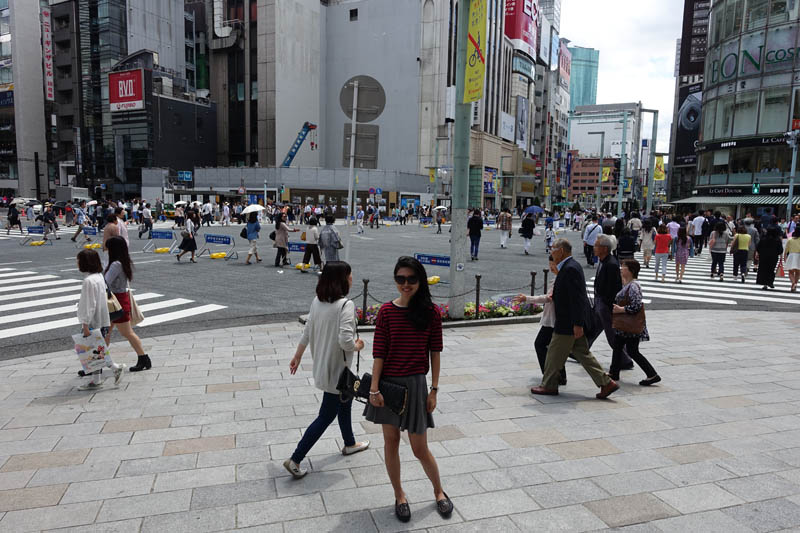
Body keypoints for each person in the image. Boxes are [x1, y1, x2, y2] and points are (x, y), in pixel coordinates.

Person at [365, 256, 453, 523]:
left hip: (416, 384)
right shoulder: (387, 312)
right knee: (390, 443)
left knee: (419, 448)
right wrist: (373, 389)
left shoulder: (430, 313)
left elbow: (435, 353)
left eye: (411, 279)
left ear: (420, 281)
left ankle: (439, 491)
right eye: (400, 279)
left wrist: (434, 390)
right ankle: (399, 495)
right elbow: (379, 353)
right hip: (388, 384)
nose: (405, 284)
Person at [284, 262, 370, 478]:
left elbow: (307, 331)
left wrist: (297, 355)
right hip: (336, 372)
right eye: (350, 275)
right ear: (342, 279)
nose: (352, 279)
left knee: (345, 403)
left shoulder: (317, 301)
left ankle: (350, 443)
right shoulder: (345, 305)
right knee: (326, 415)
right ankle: (295, 459)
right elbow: (345, 340)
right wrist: (358, 345)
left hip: (324, 367)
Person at [531, 239, 619, 399]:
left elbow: (577, 299)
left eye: (553, 249)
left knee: (552, 353)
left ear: (561, 251)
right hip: (570, 322)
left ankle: (549, 385)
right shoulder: (569, 266)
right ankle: (606, 383)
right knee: (583, 353)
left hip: (568, 323)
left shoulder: (570, 268)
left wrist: (578, 324)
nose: (551, 252)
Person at [76, 249, 126, 390]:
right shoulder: (99, 276)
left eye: (79, 261)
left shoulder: (88, 281)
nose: (77, 263)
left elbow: (89, 304)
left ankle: (115, 368)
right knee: (96, 350)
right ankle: (96, 379)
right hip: (103, 319)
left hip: (93, 321)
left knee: (94, 351)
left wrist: (85, 324)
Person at [514, 255, 567, 385]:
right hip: (554, 318)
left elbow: (548, 298)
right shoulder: (560, 277)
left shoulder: (561, 279)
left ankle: (551, 374)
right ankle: (558, 375)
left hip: (553, 319)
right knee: (555, 348)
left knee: (541, 344)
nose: (551, 268)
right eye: (550, 265)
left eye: (553, 265)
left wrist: (527, 298)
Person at [609, 259, 660, 385]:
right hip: (625, 325)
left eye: (624, 267)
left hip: (629, 325)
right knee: (619, 346)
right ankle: (614, 373)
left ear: (631, 270)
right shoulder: (628, 283)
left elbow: (637, 305)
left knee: (631, 350)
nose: (621, 269)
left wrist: (621, 309)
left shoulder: (634, 286)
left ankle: (652, 374)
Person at [103, 236, 151, 372]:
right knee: (106, 333)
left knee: (127, 332)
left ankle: (144, 357)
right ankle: (98, 363)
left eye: (108, 248)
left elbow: (105, 281)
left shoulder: (116, 264)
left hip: (115, 302)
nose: (106, 250)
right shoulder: (122, 262)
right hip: (117, 300)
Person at [784, 227, 800, 292]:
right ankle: (795, 284)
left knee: (791, 272)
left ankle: (793, 283)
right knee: (798, 272)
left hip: (791, 255)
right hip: (799, 256)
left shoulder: (790, 239)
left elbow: (786, 249)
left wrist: (784, 257)